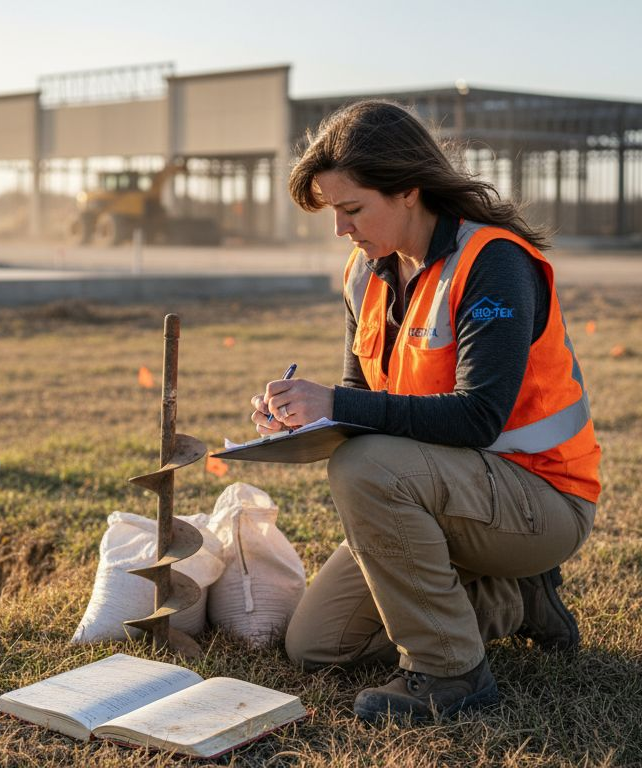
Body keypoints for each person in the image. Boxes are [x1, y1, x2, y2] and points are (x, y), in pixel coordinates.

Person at [251, 100, 601, 725]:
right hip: (452, 493)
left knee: (363, 468)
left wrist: (339, 405)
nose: (341, 230)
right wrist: (305, 418)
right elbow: (363, 399)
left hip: (543, 498)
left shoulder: (494, 262)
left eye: (352, 209)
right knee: (318, 646)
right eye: (334, 211)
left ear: (409, 189)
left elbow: (477, 419)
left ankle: (449, 672)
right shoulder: (365, 273)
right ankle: (516, 601)